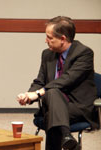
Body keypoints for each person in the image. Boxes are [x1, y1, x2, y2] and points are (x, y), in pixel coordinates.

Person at [17, 16, 98, 150]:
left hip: (77, 106)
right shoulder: (47, 54)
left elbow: (66, 79)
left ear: (62, 39)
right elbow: (40, 80)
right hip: (54, 104)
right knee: (52, 97)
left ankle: (65, 137)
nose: (46, 41)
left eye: (49, 37)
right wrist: (28, 94)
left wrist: (39, 93)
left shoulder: (84, 53)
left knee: (51, 104)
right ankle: (67, 138)